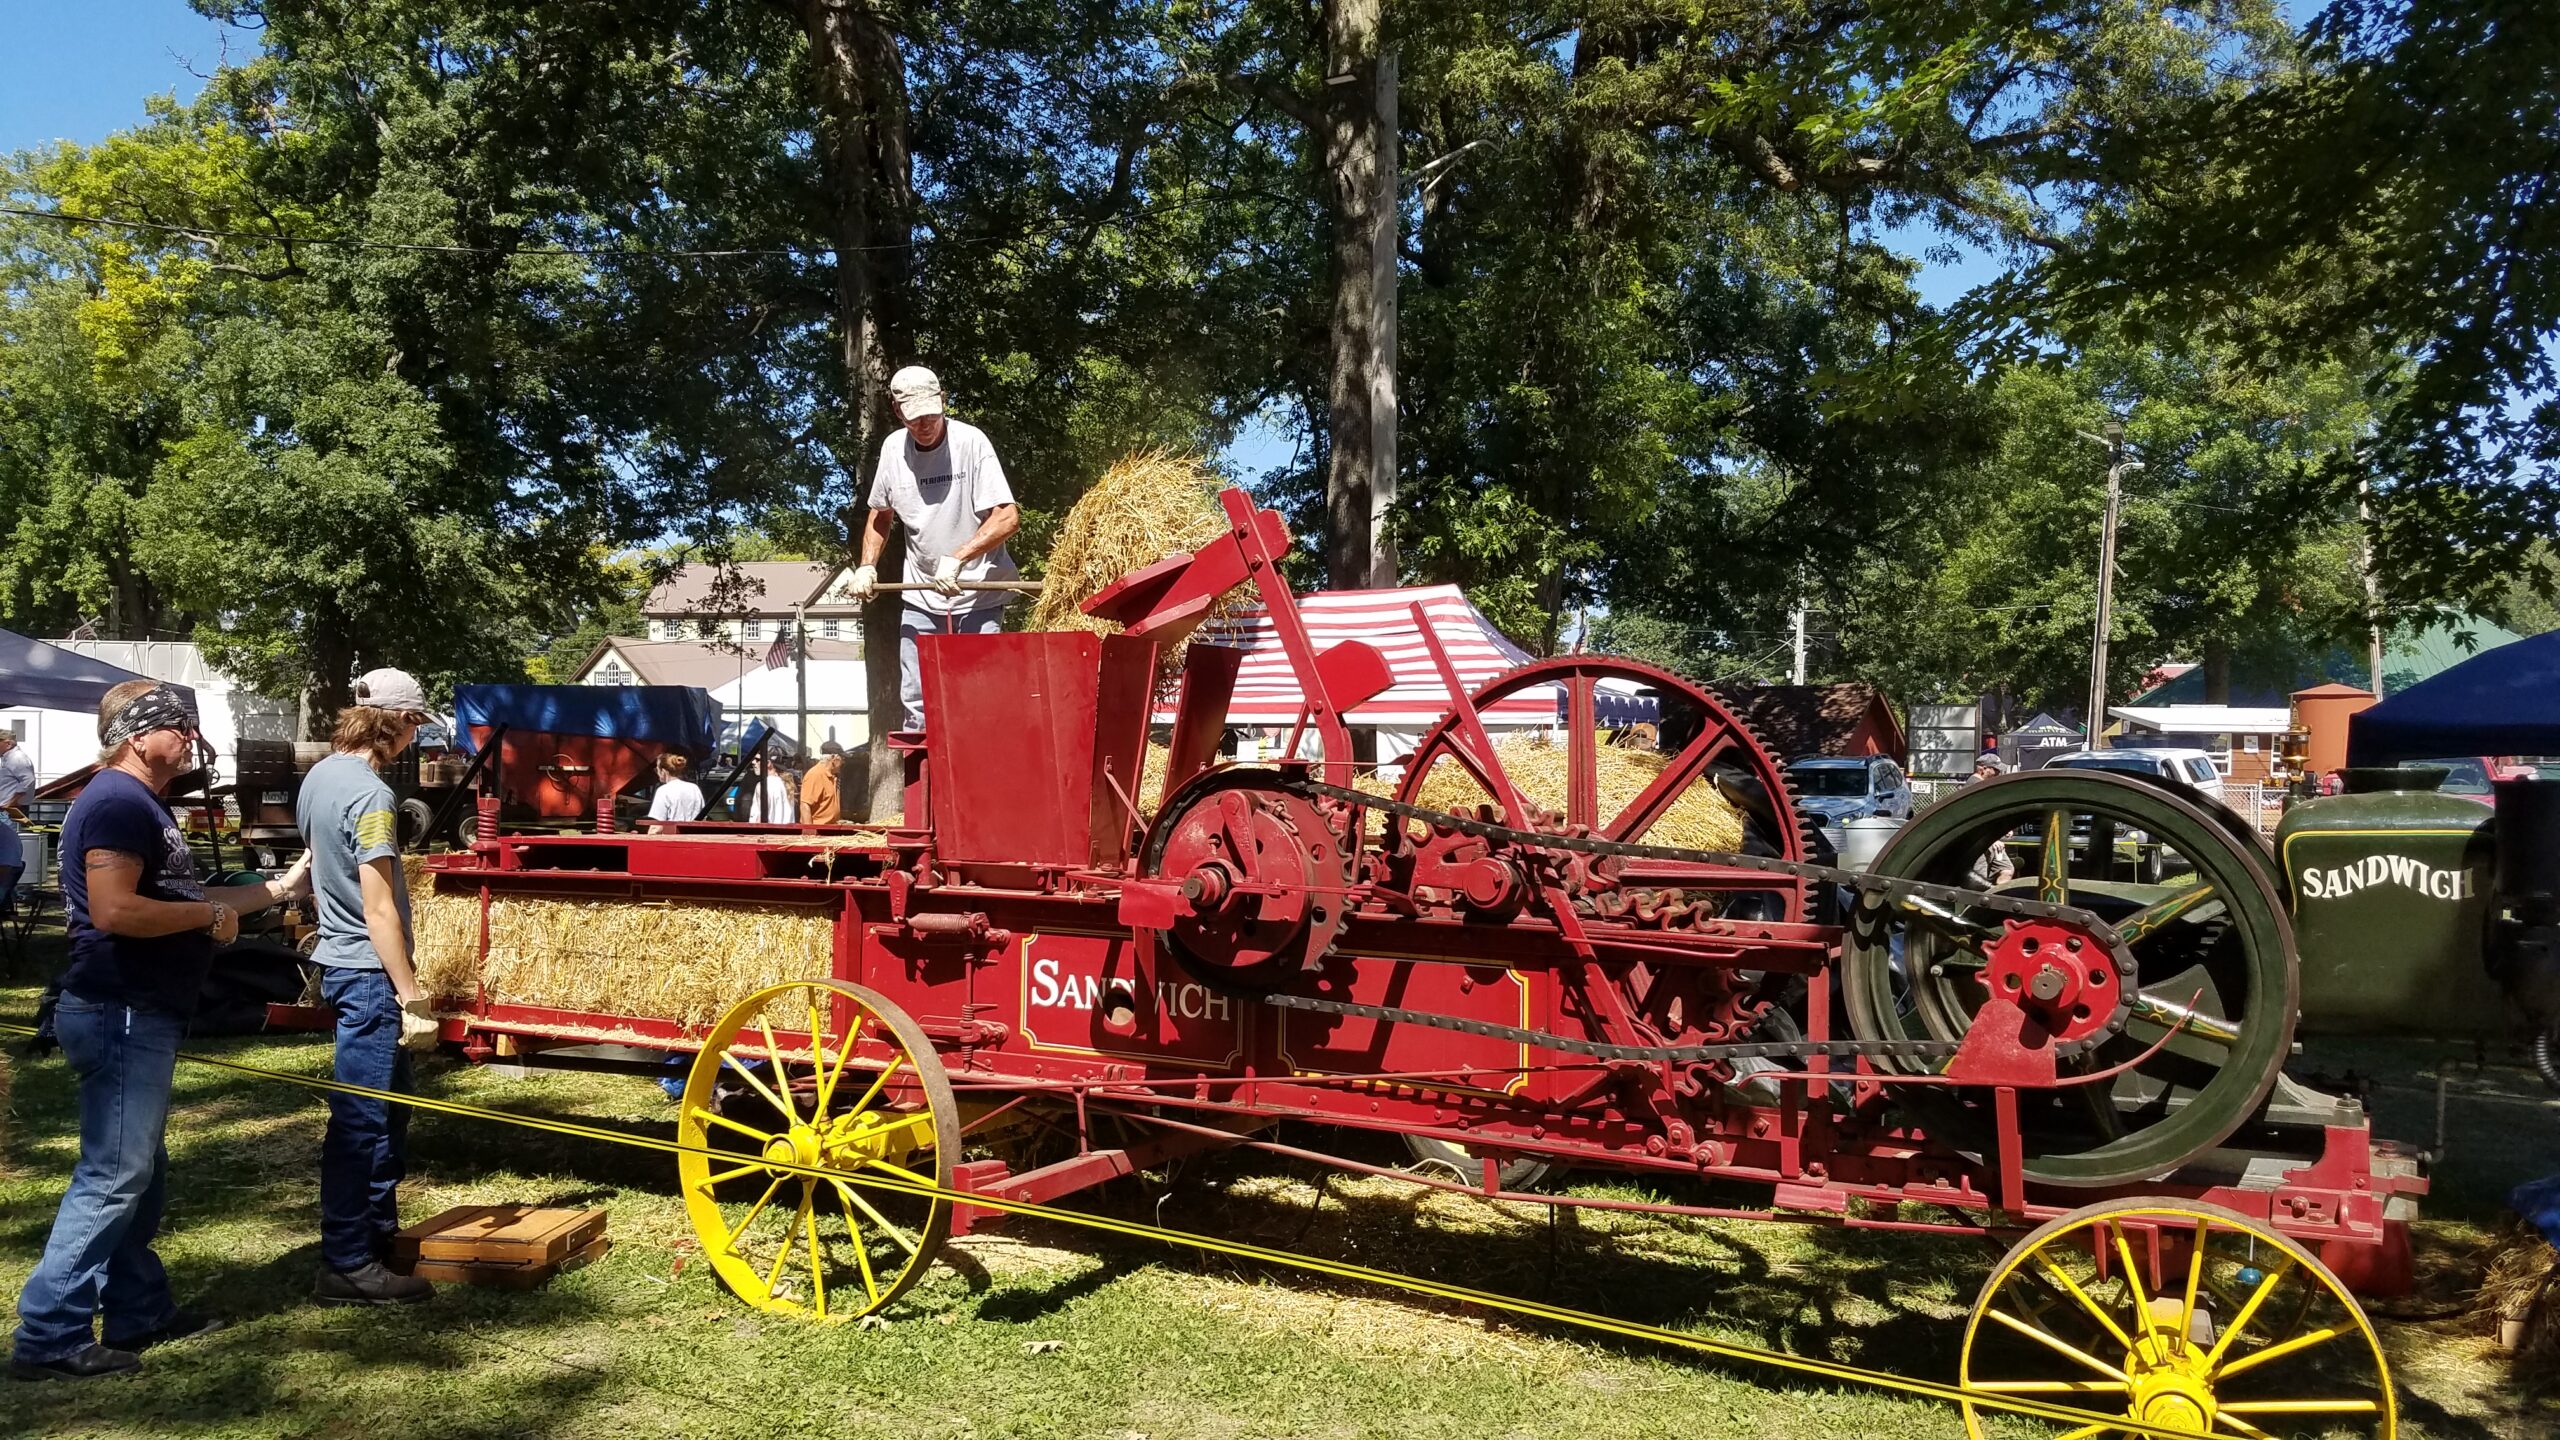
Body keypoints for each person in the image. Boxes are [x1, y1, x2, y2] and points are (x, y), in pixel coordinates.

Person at [12, 681, 306, 1381]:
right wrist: (206, 922)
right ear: (140, 735)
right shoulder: (115, 801)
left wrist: (283, 889)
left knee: (140, 1175)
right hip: (120, 1008)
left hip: (140, 1010)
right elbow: (116, 910)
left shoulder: (141, 803)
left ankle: (138, 1309)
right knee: (115, 1175)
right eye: (180, 727)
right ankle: (49, 1334)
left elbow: (187, 897)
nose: (192, 740)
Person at [296, 668, 439, 1307]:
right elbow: (378, 908)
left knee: (389, 1109)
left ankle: (377, 1235)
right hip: (370, 973)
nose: (414, 741)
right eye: (414, 727)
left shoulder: (320, 777)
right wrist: (410, 994)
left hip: (338, 962)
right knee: (361, 1118)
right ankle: (349, 1260)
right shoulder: (372, 796)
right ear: (398, 724)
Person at [847, 365, 1020, 731]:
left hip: (977, 595)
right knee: (917, 702)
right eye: (914, 418)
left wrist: (958, 558)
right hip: (922, 596)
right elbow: (881, 514)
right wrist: (867, 565)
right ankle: (924, 781)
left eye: (931, 414)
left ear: (943, 401)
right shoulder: (894, 449)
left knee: (979, 697)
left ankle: (977, 776)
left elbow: (1007, 517)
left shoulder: (971, 443)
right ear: (897, 411)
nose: (924, 424)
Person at [646, 753, 705, 827]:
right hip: (693, 834)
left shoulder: (663, 790)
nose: (657, 773)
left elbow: (658, 824)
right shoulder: (694, 788)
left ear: (664, 771)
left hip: (671, 835)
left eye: (657, 770)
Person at [800, 741, 844, 824]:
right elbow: (805, 806)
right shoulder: (815, 774)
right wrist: (810, 832)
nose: (843, 762)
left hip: (829, 830)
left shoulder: (832, 776)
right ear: (834, 758)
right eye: (842, 758)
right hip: (818, 831)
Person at [747, 757, 797, 824]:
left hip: (767, 832)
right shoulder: (786, 783)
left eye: (757, 760)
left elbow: (762, 816)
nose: (753, 762)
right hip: (784, 832)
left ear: (768, 763)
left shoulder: (764, 785)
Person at [0, 729, 36, 820]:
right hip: (7, 809)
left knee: (9, 833)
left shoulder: (17, 758)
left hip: (10, 810)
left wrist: (11, 803)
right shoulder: (7, 758)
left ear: (8, 744)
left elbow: (28, 780)